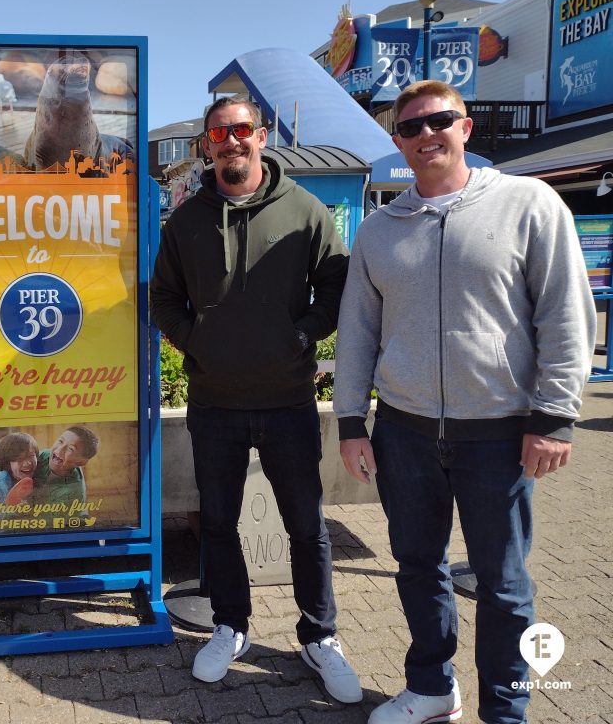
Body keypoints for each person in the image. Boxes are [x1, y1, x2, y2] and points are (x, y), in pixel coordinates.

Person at [334, 80, 597, 724]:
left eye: (439, 121)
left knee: (503, 584)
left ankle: (506, 709)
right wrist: (350, 422)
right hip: (405, 431)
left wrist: (555, 416)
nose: (427, 136)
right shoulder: (378, 229)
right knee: (417, 565)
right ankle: (430, 687)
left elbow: (565, 316)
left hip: (499, 433)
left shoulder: (528, 204)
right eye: (412, 128)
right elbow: (358, 332)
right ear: (397, 141)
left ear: (466, 127)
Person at [150, 96, 360, 701]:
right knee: (218, 523)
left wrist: (303, 333)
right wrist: (197, 342)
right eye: (220, 132)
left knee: (306, 526)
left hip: (287, 401)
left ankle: (319, 636)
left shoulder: (305, 210)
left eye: (241, 129)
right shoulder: (186, 221)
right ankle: (230, 625)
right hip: (215, 402)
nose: (231, 141)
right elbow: (163, 296)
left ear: (261, 135)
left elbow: (336, 282)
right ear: (207, 145)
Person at [0, 432, 40, 526]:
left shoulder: (39, 474)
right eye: (19, 459)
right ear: (8, 463)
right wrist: (12, 511)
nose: (27, 463)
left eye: (31, 456)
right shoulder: (0, 482)